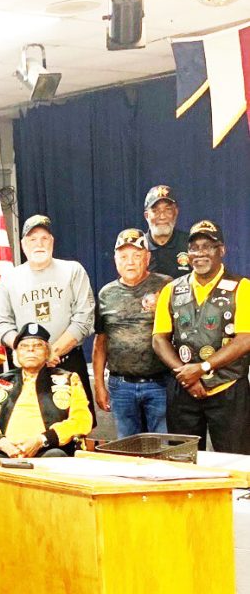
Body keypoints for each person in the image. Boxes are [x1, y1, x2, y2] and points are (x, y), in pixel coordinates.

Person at [152, 219, 250, 454]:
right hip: (183, 390)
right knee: (182, 458)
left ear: (221, 250)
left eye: (207, 247)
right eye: (194, 248)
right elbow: (159, 338)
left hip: (227, 389)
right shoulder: (172, 289)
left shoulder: (242, 287)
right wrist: (186, 375)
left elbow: (245, 339)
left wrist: (203, 368)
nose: (200, 253)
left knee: (235, 459)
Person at [0, 214, 96, 415]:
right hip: (26, 368)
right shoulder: (9, 278)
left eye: (44, 238)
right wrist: (32, 352)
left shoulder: (73, 270)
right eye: (32, 239)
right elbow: (2, 325)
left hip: (68, 362)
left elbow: (84, 318)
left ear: (52, 242)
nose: (39, 244)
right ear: (23, 244)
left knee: (77, 424)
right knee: (28, 424)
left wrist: (51, 352)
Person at [0, 323, 93, 457]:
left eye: (38, 345)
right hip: (4, 452)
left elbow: (81, 420)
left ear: (47, 352)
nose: (31, 350)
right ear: (16, 353)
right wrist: (0, 442)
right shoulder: (0, 382)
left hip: (46, 451)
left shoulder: (68, 379)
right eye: (24, 346)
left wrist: (42, 440)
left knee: (55, 456)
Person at [93, 228, 171, 438]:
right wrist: (99, 385)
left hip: (160, 384)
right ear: (115, 260)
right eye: (124, 256)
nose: (130, 262)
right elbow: (100, 342)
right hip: (121, 386)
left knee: (163, 445)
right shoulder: (106, 294)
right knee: (127, 447)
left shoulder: (166, 286)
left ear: (147, 258)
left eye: (137, 255)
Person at [143, 185, 190, 279]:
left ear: (176, 212)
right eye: (155, 211)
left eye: (168, 210)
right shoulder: (139, 248)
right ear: (147, 216)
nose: (162, 216)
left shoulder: (191, 244)